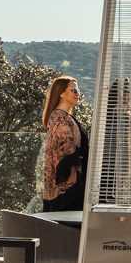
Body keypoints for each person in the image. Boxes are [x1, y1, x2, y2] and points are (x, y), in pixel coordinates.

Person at [39, 76, 88, 212]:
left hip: (72, 188)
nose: (78, 94)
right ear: (61, 93)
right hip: (65, 192)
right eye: (74, 90)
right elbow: (66, 150)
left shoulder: (65, 117)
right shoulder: (58, 118)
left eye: (77, 91)